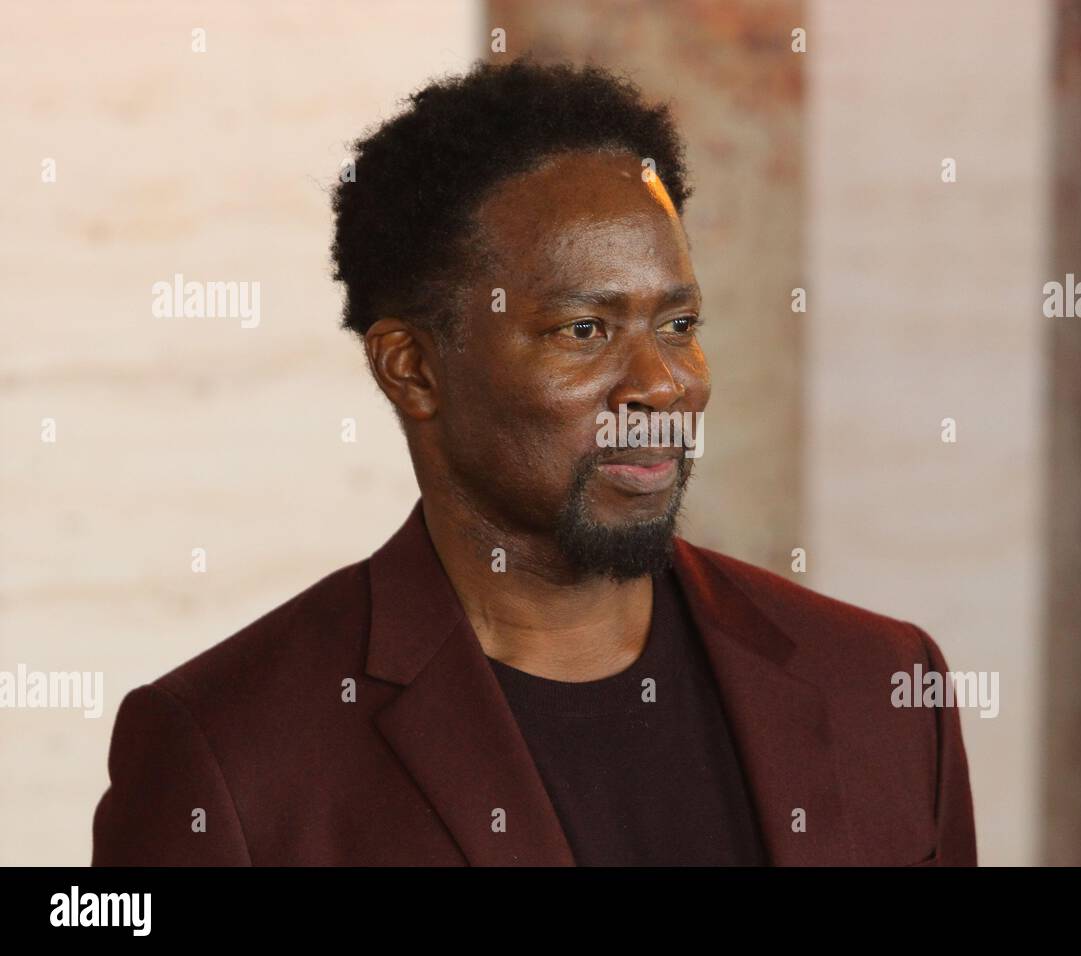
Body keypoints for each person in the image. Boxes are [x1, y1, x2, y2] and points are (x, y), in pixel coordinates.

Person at [91, 59, 976, 866]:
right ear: (414, 368)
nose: (663, 387)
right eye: (584, 331)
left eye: (679, 327)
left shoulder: (882, 688)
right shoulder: (230, 756)